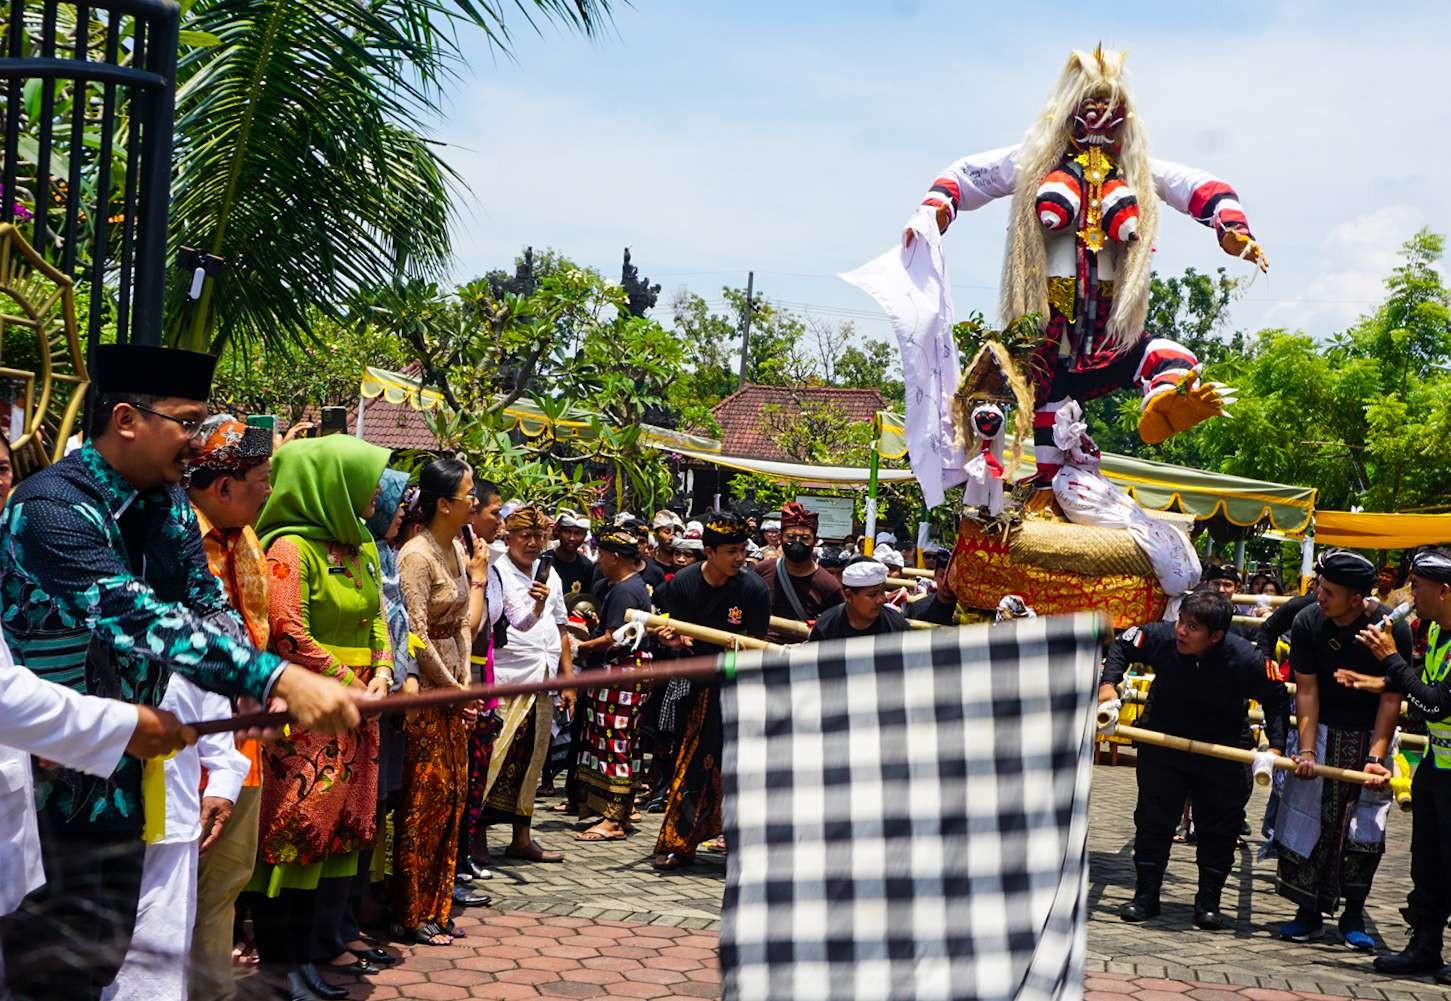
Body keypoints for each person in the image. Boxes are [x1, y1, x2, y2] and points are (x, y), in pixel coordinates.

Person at [0, 345, 356, 1001]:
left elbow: (203, 602)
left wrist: (254, 680)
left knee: (98, 961)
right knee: (42, 974)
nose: (197, 442)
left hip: (123, 783)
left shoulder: (162, 503)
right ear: (128, 419)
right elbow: (135, 616)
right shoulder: (48, 509)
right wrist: (274, 679)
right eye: (186, 421)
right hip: (40, 785)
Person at [247, 434, 395, 1001]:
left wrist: (380, 670)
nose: (375, 492)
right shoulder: (289, 549)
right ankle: (280, 966)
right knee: (298, 828)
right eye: (366, 479)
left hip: (361, 708)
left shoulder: (358, 545)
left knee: (341, 834)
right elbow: (288, 631)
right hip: (312, 712)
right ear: (331, 481)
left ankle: (310, 955)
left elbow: (378, 620)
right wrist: (348, 683)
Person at [1097, 591, 1290, 930]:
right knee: (1153, 820)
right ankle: (1146, 896)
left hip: (1223, 749)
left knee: (1219, 828)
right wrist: (1109, 685)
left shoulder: (1244, 658)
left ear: (1215, 636)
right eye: (1182, 622)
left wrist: (1274, 748)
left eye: (1193, 627)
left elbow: (1276, 699)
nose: (1182, 632)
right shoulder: (1162, 637)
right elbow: (1123, 645)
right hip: (1163, 741)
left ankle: (1208, 903)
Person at [183, 416, 278, 1001]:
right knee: (177, 888)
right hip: (181, 746)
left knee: (224, 885)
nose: (269, 490)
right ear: (223, 487)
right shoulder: (175, 541)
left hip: (242, 750)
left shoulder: (245, 540)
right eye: (262, 477)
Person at [1275, 549, 1407, 948]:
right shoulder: (1307, 622)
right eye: (1319, 588)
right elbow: (1308, 689)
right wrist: (1308, 750)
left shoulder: (1388, 628)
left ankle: (1353, 915)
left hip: (1371, 733)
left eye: (1329, 592)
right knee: (1307, 818)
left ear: (1357, 599)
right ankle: (1307, 912)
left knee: (1363, 827)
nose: (1319, 597)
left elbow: (1391, 697)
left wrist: (1376, 757)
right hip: (1323, 729)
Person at [1335, 549, 1451, 979]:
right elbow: (1424, 690)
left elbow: (1436, 705)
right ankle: (1424, 947)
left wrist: (1388, 659)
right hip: (1437, 768)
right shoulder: (1438, 632)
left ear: (1444, 590)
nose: (1408, 594)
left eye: (1416, 585)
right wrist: (1379, 682)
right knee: (1428, 865)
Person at [393, 458, 494, 946]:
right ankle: (411, 909)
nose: (474, 501)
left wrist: (467, 679)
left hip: (455, 687)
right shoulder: (416, 555)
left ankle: (439, 902)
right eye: (469, 494)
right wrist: (452, 689)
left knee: (453, 800)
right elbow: (415, 634)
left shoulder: (457, 547)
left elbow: (460, 624)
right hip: (429, 697)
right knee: (424, 800)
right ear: (444, 504)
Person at [651, 511, 770, 869]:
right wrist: (671, 640)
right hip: (694, 690)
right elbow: (665, 630)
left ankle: (742, 844)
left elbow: (756, 644)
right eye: (731, 551)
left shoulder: (754, 591)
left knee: (740, 770)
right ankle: (679, 842)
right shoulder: (682, 584)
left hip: (738, 690)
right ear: (709, 551)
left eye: (742, 550)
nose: (740, 558)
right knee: (690, 767)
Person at [482, 503, 574, 864]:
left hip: (543, 675)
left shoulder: (550, 574)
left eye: (540, 536)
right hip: (508, 676)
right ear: (510, 536)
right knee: (497, 756)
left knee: (532, 760)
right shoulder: (496, 570)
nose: (534, 543)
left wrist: (567, 680)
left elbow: (563, 627)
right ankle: (478, 836)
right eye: (526, 536)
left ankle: (522, 836)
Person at [569, 525, 656, 842]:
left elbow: (612, 638)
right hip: (632, 672)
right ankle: (618, 811)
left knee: (614, 740)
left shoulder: (623, 590)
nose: (599, 560)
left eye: (603, 554)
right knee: (623, 742)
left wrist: (579, 645)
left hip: (621, 672)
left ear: (615, 556)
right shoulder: (632, 585)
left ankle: (613, 819)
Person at [753, 502, 843, 641]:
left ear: (814, 542)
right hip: (761, 653)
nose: (797, 543)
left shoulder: (828, 584)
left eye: (805, 539)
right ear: (781, 537)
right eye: (790, 537)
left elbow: (836, 628)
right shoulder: (762, 570)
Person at [809, 559, 909, 640]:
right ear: (848, 595)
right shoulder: (826, 626)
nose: (881, 600)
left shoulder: (896, 625)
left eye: (882, 592)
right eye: (872, 594)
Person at [907, 545, 958, 625]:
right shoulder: (917, 610)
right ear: (935, 575)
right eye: (942, 576)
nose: (946, 583)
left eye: (953, 578)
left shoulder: (972, 616)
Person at [551, 510, 595, 598]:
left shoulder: (586, 566)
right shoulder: (544, 561)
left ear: (585, 536)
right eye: (567, 532)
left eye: (578, 533)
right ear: (558, 533)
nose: (572, 538)